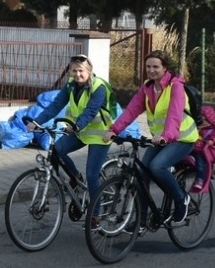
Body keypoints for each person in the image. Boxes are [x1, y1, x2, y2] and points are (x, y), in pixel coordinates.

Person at [108, 50, 199, 224]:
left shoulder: (175, 86)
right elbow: (132, 110)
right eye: (148, 66)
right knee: (142, 175)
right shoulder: (148, 87)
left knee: (157, 167)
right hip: (160, 139)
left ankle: (181, 199)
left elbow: (174, 114)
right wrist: (114, 129)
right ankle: (141, 222)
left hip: (182, 138)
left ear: (165, 68)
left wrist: (167, 136)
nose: (151, 70)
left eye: (156, 67)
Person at [25, 55, 114, 210]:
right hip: (80, 132)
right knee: (56, 151)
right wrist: (36, 122)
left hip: (100, 135)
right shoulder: (71, 85)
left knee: (92, 175)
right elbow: (56, 105)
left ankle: (95, 214)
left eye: (81, 71)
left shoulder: (98, 87)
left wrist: (76, 126)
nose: (77, 74)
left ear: (89, 71)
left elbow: (91, 111)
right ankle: (75, 177)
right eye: (74, 71)